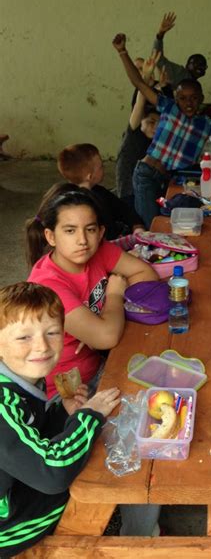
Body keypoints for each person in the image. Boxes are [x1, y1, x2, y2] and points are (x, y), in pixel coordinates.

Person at [0, 281, 120, 556]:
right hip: (7, 530)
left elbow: (28, 434)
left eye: (52, 332)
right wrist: (89, 417)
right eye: (23, 337)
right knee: (90, 473)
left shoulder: (19, 379)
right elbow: (51, 471)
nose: (42, 346)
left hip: (16, 486)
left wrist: (60, 414)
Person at [112, 32, 211, 228]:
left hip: (165, 177)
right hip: (146, 174)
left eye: (193, 98)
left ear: (201, 99)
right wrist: (123, 52)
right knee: (151, 226)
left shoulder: (204, 125)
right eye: (183, 98)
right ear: (176, 98)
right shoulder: (168, 107)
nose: (188, 103)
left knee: (162, 222)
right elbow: (139, 83)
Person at [26, 183, 158, 398]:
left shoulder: (98, 250)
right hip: (68, 393)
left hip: (102, 361)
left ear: (100, 232)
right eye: (70, 230)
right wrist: (114, 296)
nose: (82, 240)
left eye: (90, 229)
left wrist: (99, 321)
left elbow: (145, 274)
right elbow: (106, 337)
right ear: (50, 236)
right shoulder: (48, 285)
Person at [57, 143, 145, 240]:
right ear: (89, 176)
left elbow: (124, 210)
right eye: (101, 167)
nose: (104, 168)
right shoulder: (78, 203)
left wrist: (137, 226)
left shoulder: (100, 192)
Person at [116, 95, 160, 211]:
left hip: (146, 192)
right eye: (151, 122)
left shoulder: (158, 142)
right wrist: (143, 85)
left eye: (159, 124)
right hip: (129, 195)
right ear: (140, 121)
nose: (155, 127)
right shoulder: (133, 137)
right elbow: (139, 105)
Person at [151, 12, 208, 89]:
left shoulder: (195, 85)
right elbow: (158, 59)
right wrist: (160, 34)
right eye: (196, 64)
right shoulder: (179, 73)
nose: (200, 68)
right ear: (188, 66)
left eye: (202, 65)